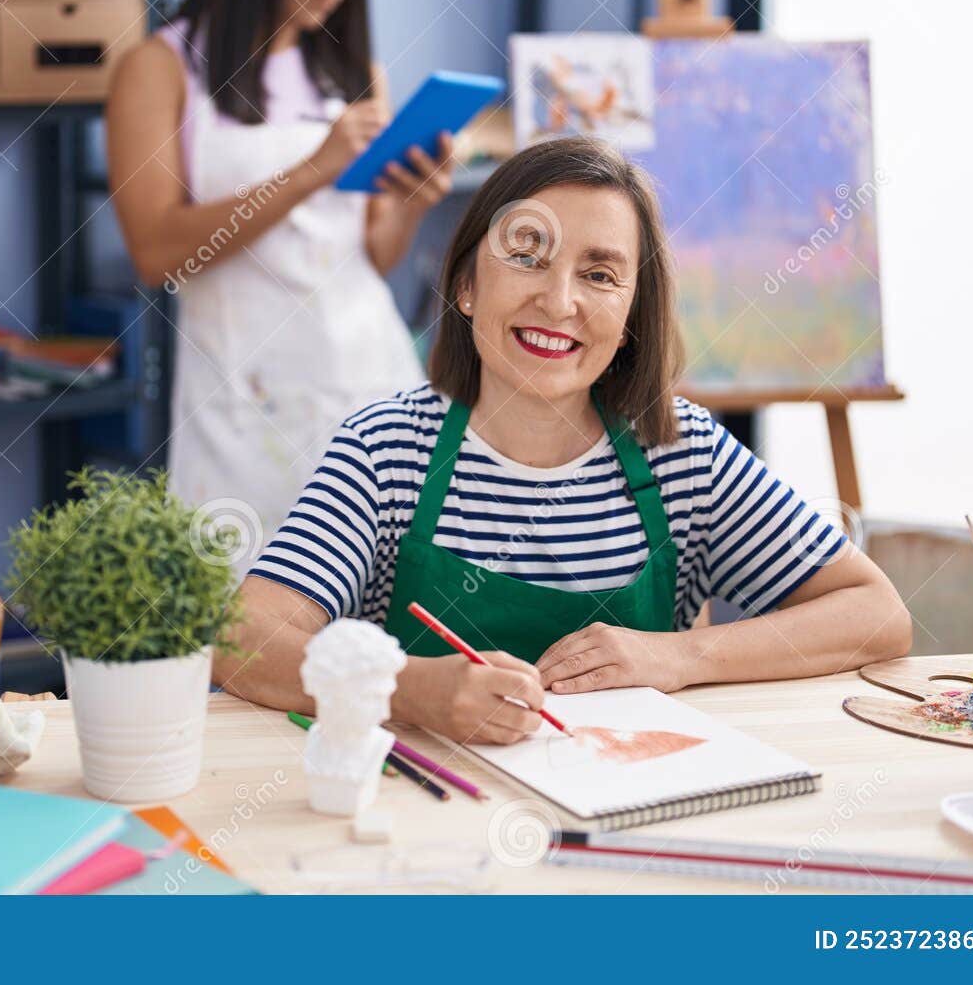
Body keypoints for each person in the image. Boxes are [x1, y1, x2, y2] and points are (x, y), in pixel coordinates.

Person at [213, 137, 912, 745]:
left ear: (632, 312)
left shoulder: (684, 453)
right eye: (527, 255)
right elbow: (242, 640)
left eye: (600, 275)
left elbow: (877, 614)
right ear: (465, 283)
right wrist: (410, 689)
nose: (560, 300)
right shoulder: (385, 449)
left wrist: (682, 655)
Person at [106, 0, 455, 541]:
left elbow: (370, 254)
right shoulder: (160, 70)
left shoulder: (357, 75)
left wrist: (415, 202)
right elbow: (156, 252)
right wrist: (311, 171)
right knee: (249, 623)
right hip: (242, 401)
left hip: (367, 380)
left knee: (379, 627)